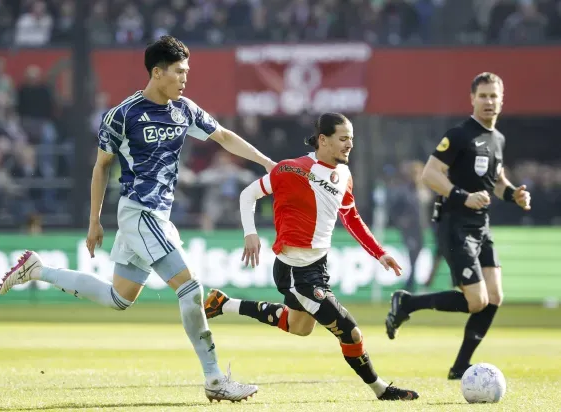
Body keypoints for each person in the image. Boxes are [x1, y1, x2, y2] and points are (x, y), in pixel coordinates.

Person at [0, 36, 276, 402]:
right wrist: (94, 220)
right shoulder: (123, 115)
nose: (185, 79)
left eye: (187, 72)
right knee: (190, 288)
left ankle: (37, 269)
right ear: (157, 73)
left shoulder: (185, 110)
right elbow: (101, 167)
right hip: (140, 213)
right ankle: (214, 379)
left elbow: (223, 136)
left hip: (156, 216)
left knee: (119, 298)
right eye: (179, 72)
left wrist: (267, 163)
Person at [204, 113, 419, 401]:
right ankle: (381, 390)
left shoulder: (344, 175)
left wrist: (379, 253)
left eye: (351, 139)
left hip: (318, 267)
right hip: (296, 271)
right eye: (343, 138)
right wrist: (250, 233)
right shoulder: (291, 169)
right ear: (323, 140)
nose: (349, 144)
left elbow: (351, 218)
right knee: (350, 332)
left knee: (300, 327)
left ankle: (224, 304)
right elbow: (248, 194)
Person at [384, 72, 531, 379]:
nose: (489, 101)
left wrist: (513, 194)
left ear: (501, 100)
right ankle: (408, 303)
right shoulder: (460, 135)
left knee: (494, 298)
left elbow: (497, 180)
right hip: (455, 225)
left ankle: (459, 366)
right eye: (483, 96)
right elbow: (430, 173)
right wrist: (463, 196)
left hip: (481, 226)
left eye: (494, 96)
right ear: (472, 99)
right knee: (477, 301)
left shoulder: (498, 139)